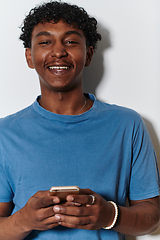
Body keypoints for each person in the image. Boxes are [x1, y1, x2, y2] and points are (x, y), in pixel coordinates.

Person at [0, 1, 159, 240]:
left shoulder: (127, 125)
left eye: (71, 41)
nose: (58, 51)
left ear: (89, 54)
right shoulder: (4, 133)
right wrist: (22, 220)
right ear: (29, 56)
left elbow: (152, 217)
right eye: (45, 42)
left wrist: (110, 216)